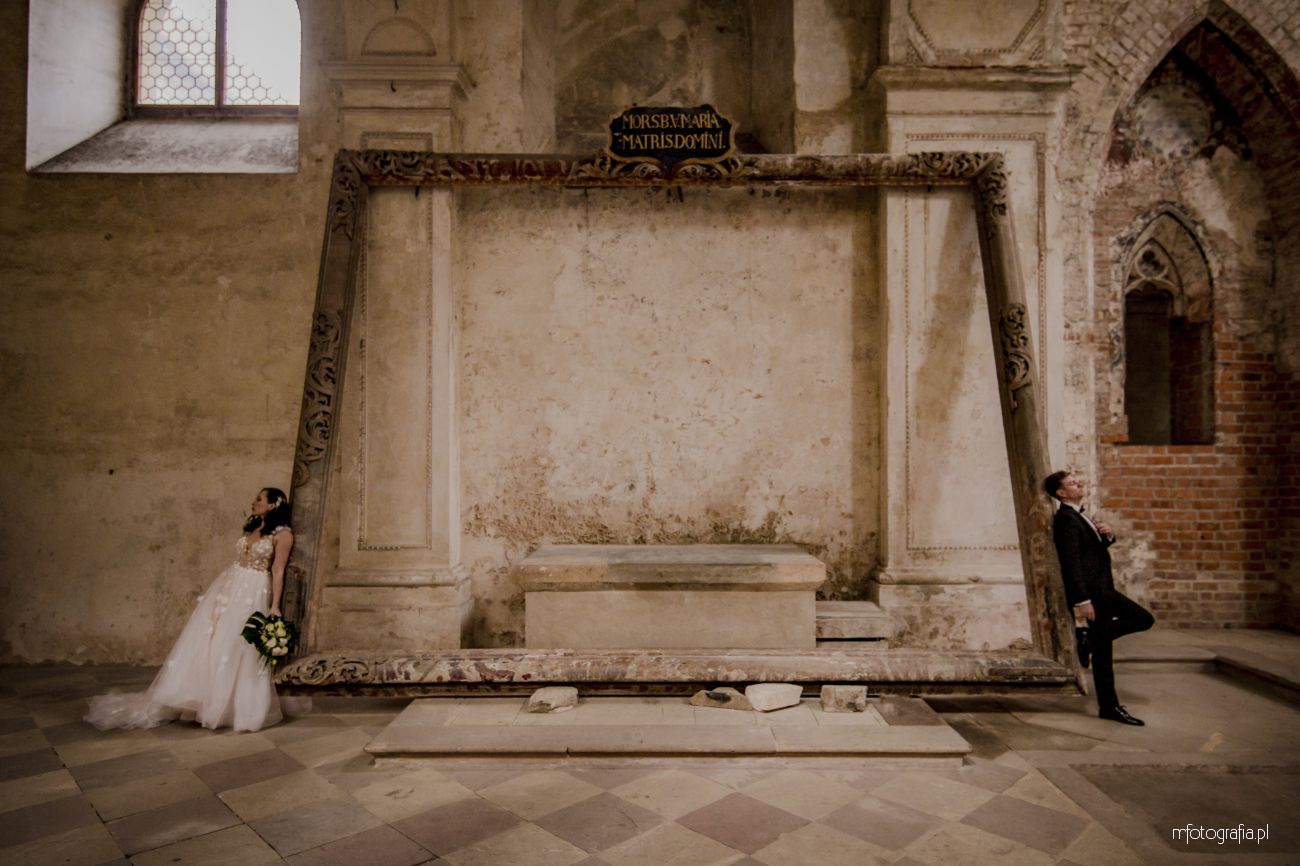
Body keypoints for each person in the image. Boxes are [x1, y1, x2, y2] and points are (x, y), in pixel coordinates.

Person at [86, 488, 293, 732]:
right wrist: (221, 590)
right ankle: (204, 702)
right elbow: (238, 561)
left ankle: (232, 709)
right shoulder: (253, 526)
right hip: (229, 584)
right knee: (212, 640)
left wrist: (275, 605)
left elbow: (278, 570)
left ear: (272, 505)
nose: (253, 502)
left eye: (259, 499)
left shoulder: (283, 535)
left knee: (236, 645)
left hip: (254, 589)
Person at [1044, 470, 1154, 726]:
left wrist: (1107, 535)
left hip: (1102, 587)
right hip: (1096, 592)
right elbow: (1071, 563)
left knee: (1104, 651)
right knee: (1143, 619)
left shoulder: (1079, 516)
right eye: (1072, 483)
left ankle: (1108, 705)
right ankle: (1088, 640)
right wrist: (1082, 600)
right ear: (1061, 493)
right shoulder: (1066, 519)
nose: (1078, 484)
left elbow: (1090, 552)